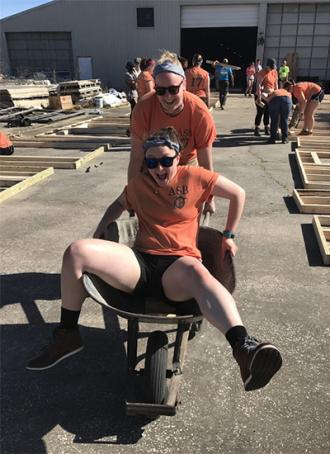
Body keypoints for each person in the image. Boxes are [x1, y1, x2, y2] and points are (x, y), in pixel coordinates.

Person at [26, 126, 282, 393]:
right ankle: (67, 334)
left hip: (178, 267)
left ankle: (244, 349)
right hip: (140, 264)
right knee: (76, 251)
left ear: (177, 157)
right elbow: (118, 204)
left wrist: (228, 234)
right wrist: (103, 225)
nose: (159, 168)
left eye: (165, 161)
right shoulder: (140, 184)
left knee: (198, 272)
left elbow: (238, 193)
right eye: (152, 162)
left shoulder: (195, 176)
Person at [128, 50, 217, 213]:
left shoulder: (199, 113)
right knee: (151, 215)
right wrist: (132, 197)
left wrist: (209, 197)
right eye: (161, 91)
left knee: (185, 215)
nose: (167, 96)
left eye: (173, 89)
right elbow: (136, 159)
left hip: (186, 163)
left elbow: (205, 164)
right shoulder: (143, 109)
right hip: (154, 166)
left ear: (184, 85)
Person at [254, 58, 278, 137]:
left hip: (270, 95)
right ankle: (256, 128)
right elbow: (258, 84)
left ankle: (266, 128)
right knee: (260, 112)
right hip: (261, 95)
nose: (271, 69)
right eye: (270, 67)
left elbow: (276, 84)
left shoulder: (274, 72)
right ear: (267, 66)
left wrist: (277, 93)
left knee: (268, 112)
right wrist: (259, 96)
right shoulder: (262, 72)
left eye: (272, 68)